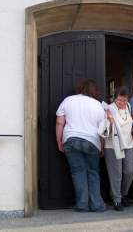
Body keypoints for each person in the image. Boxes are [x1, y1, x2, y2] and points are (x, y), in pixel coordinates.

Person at [55, 79, 106, 212]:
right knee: (93, 173)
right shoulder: (98, 105)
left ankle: (82, 205)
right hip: (92, 142)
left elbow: (59, 122)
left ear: (80, 88)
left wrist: (59, 141)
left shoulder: (68, 100)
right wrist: (102, 147)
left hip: (71, 140)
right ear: (94, 91)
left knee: (78, 172)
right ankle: (97, 205)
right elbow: (102, 131)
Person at [103, 86, 133, 211]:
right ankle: (117, 199)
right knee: (116, 173)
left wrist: (132, 132)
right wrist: (109, 120)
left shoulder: (129, 107)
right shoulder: (109, 109)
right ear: (115, 98)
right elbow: (104, 129)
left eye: (124, 100)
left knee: (129, 171)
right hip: (112, 145)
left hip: (128, 144)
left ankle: (123, 194)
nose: (122, 103)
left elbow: (129, 123)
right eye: (119, 100)